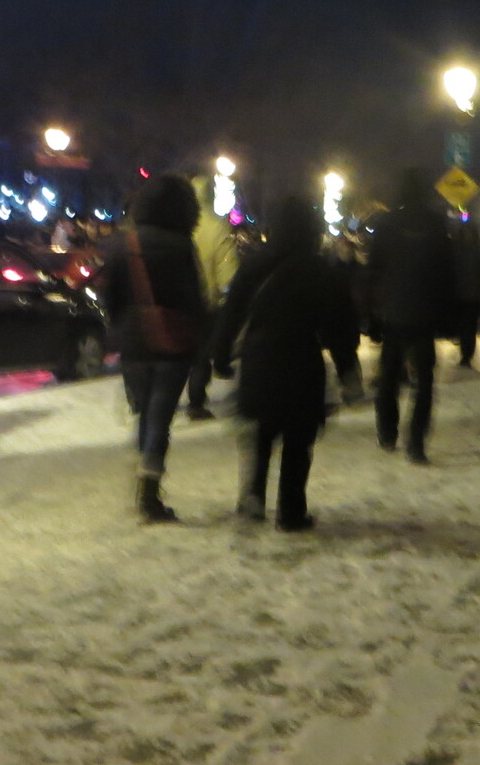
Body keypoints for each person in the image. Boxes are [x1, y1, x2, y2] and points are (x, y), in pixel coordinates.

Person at [213, 195, 363, 531]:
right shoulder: (321, 271)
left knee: (260, 434)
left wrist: (221, 356)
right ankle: (291, 511)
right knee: (298, 441)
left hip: (259, 362)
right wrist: (347, 370)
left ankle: (253, 495)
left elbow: (231, 314)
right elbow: (339, 328)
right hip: (302, 364)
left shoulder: (253, 267)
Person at [92, 174, 207, 522]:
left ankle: (145, 473)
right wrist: (201, 339)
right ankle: (150, 487)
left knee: (145, 412)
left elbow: (108, 295)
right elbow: (194, 298)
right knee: (161, 415)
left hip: (134, 342)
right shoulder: (181, 245)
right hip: (173, 342)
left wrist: (120, 328)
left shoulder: (122, 243)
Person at [367, 170, 456, 465]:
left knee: (389, 375)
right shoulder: (435, 224)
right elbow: (446, 271)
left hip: (393, 310)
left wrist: (372, 313)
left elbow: (373, 269)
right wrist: (445, 312)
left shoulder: (386, 223)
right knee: (425, 381)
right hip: (425, 311)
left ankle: (387, 431)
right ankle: (416, 443)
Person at [184, 174, 242, 421]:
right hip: (205, 301)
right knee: (200, 354)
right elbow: (228, 271)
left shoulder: (180, 226)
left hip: (177, 299)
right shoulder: (217, 228)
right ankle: (196, 401)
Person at [449, 214, 480, 368]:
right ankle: (467, 353)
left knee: (461, 321)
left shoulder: (453, 247)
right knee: (470, 324)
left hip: (456, 291)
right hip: (475, 292)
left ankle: (464, 348)